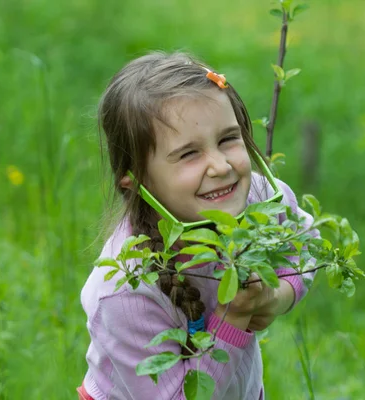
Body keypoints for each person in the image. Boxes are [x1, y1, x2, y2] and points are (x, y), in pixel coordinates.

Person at [77, 51, 317, 400]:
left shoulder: (258, 200)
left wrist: (277, 297)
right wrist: (232, 318)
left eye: (228, 139)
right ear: (135, 180)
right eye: (189, 154)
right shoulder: (125, 292)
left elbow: (304, 241)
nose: (220, 166)